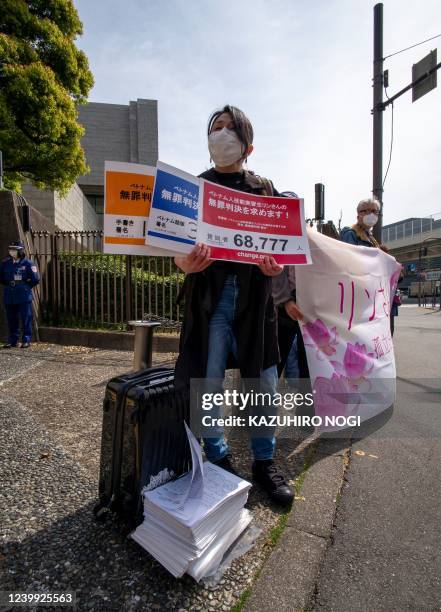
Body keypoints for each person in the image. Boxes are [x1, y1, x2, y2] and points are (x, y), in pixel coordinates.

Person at [174, 105, 294, 505]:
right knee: (206, 384)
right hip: (209, 300)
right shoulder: (194, 187)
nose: (221, 135)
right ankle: (218, 456)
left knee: (264, 385)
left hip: (256, 302)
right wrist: (184, 263)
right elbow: (174, 245)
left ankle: (264, 461)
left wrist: (276, 266)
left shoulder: (265, 190)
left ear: (249, 144)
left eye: (230, 128)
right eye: (216, 129)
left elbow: (283, 251)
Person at [0, 240, 40, 348]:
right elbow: (2, 278)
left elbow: (35, 279)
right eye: (10, 250)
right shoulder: (5, 263)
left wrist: (25, 286)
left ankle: (26, 340)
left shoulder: (28, 263)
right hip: (9, 294)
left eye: (14, 250)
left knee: (25, 317)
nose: (12, 252)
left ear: (20, 251)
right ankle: (13, 340)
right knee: (11, 318)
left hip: (23, 294)